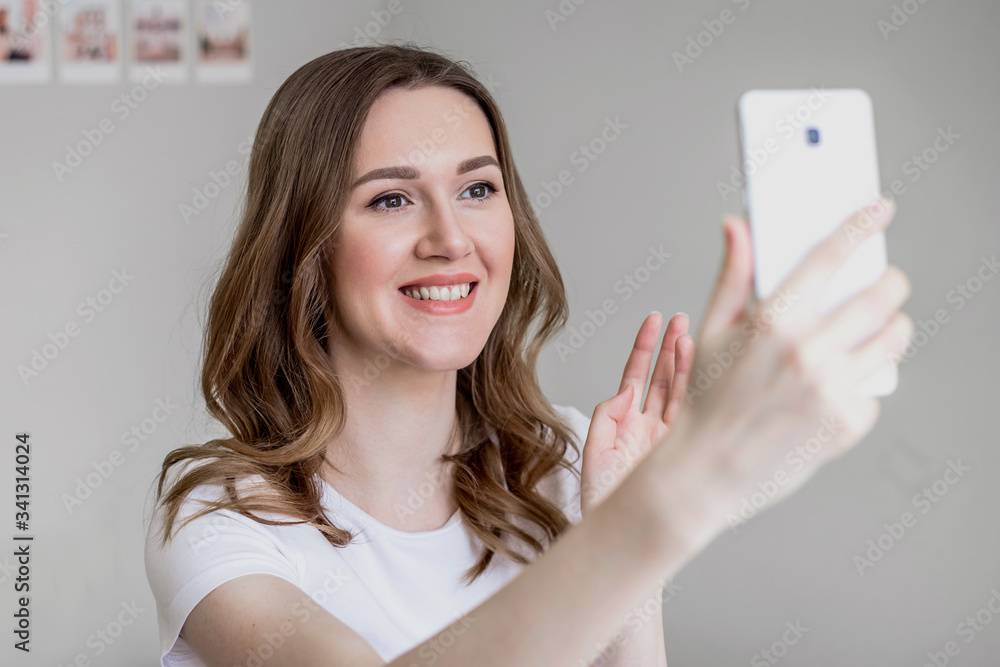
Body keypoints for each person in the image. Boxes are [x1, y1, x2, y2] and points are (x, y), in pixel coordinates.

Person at [143, 43, 913, 667]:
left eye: (478, 190)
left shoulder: (568, 465)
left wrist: (622, 529)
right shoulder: (224, 514)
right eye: (391, 198)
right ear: (303, 247)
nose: (451, 239)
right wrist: (676, 498)